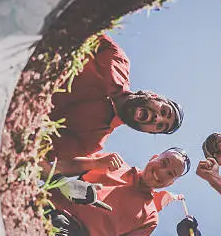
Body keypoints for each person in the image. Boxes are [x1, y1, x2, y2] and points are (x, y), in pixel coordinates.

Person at [43, 33, 184, 176]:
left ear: (147, 131)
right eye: (164, 111)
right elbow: (83, 28)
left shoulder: (92, 141)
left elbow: (40, 150)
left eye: (159, 126)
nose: (157, 118)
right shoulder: (119, 61)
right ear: (155, 96)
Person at [46, 147, 191, 236]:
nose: (162, 172)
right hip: (50, 206)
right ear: (154, 158)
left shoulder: (150, 217)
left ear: (170, 183)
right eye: (163, 163)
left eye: (170, 174)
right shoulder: (112, 162)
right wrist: (95, 163)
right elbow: (57, 167)